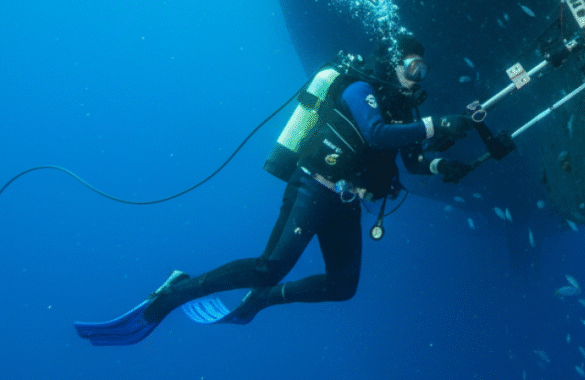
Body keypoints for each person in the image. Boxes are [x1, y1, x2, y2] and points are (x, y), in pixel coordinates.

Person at [73, 34, 474, 346]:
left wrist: (444, 166)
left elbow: (410, 160)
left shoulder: (405, 112)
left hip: (346, 202)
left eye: (424, 70)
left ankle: (262, 299)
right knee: (270, 265)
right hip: (314, 188)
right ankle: (176, 292)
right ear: (393, 61)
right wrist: (438, 124)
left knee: (343, 286)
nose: (418, 77)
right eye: (413, 67)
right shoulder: (358, 88)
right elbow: (375, 132)